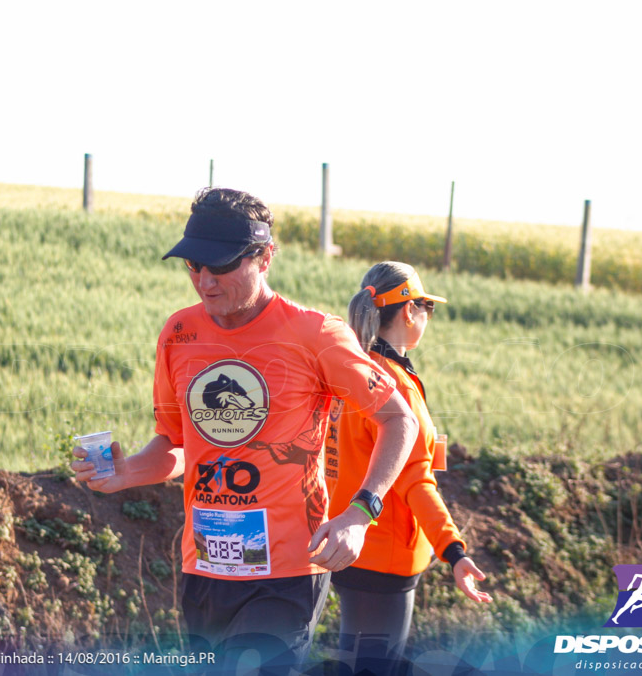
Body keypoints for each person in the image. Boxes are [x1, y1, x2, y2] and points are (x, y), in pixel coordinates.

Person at [72, 188, 419, 673]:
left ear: (265, 256)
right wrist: (126, 472)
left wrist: (362, 511)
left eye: (222, 266)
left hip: (288, 572)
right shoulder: (179, 333)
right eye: (194, 266)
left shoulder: (315, 334)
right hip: (205, 566)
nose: (205, 281)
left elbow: (399, 418)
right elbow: (176, 445)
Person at [325, 261, 492, 674]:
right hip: (383, 559)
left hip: (341, 543)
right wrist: (454, 552)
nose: (427, 317)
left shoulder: (349, 371)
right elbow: (417, 479)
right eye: (426, 308)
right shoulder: (394, 384)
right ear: (407, 312)